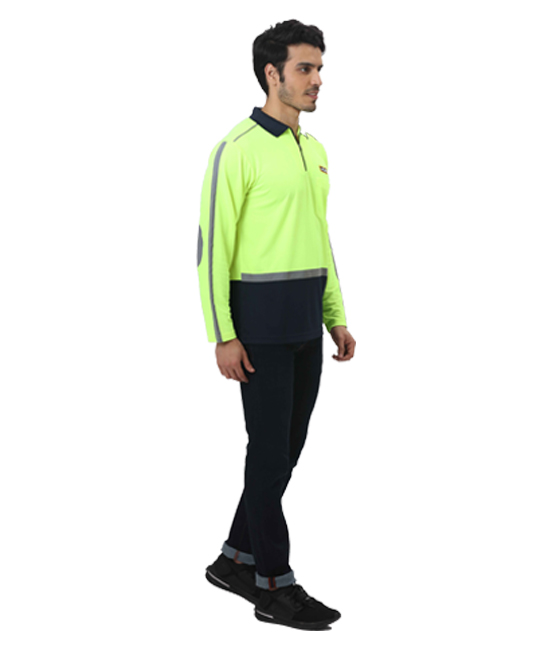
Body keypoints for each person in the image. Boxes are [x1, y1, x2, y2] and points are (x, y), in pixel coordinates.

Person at [197, 19, 356, 631]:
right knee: (267, 455)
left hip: (305, 326)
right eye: (305, 69)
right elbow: (212, 249)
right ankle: (274, 586)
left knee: (284, 455)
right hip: (258, 329)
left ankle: (232, 561)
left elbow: (320, 238)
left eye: (319, 69)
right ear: (273, 74)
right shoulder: (236, 149)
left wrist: (336, 317)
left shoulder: (314, 151)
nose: (317, 80)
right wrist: (223, 334)